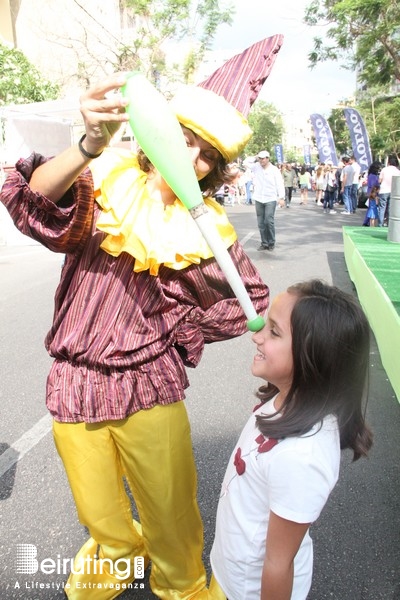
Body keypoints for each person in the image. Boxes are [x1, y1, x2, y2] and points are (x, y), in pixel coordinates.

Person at [0, 73, 270, 600]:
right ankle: (118, 559)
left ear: (213, 169)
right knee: (99, 511)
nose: (189, 154)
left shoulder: (208, 230)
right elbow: (32, 202)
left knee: (170, 513)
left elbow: (250, 301)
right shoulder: (105, 177)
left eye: (205, 153)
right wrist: (89, 143)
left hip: (149, 384)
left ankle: (183, 583)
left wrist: (176, 327)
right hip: (74, 380)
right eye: (183, 137)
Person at [210, 279, 373, 600]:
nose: (256, 336)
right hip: (232, 570)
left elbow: (278, 562)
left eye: (273, 331)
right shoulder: (283, 400)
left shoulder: (302, 456)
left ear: (312, 357)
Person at [251, 150, 285, 251]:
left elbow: (279, 183)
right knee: (261, 222)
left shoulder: (274, 170)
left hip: (270, 198)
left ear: (268, 158)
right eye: (260, 158)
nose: (261, 160)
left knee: (268, 221)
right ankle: (264, 243)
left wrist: (281, 197)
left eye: (263, 158)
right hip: (259, 198)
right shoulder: (256, 166)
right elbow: (245, 162)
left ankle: (271, 242)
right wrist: (255, 157)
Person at [378, 154, 400, 227]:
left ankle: (380, 224)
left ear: (389, 162)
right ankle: (389, 224)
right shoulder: (397, 171)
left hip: (384, 190)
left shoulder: (384, 169)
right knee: (390, 208)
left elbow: (380, 180)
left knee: (382, 208)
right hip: (393, 192)